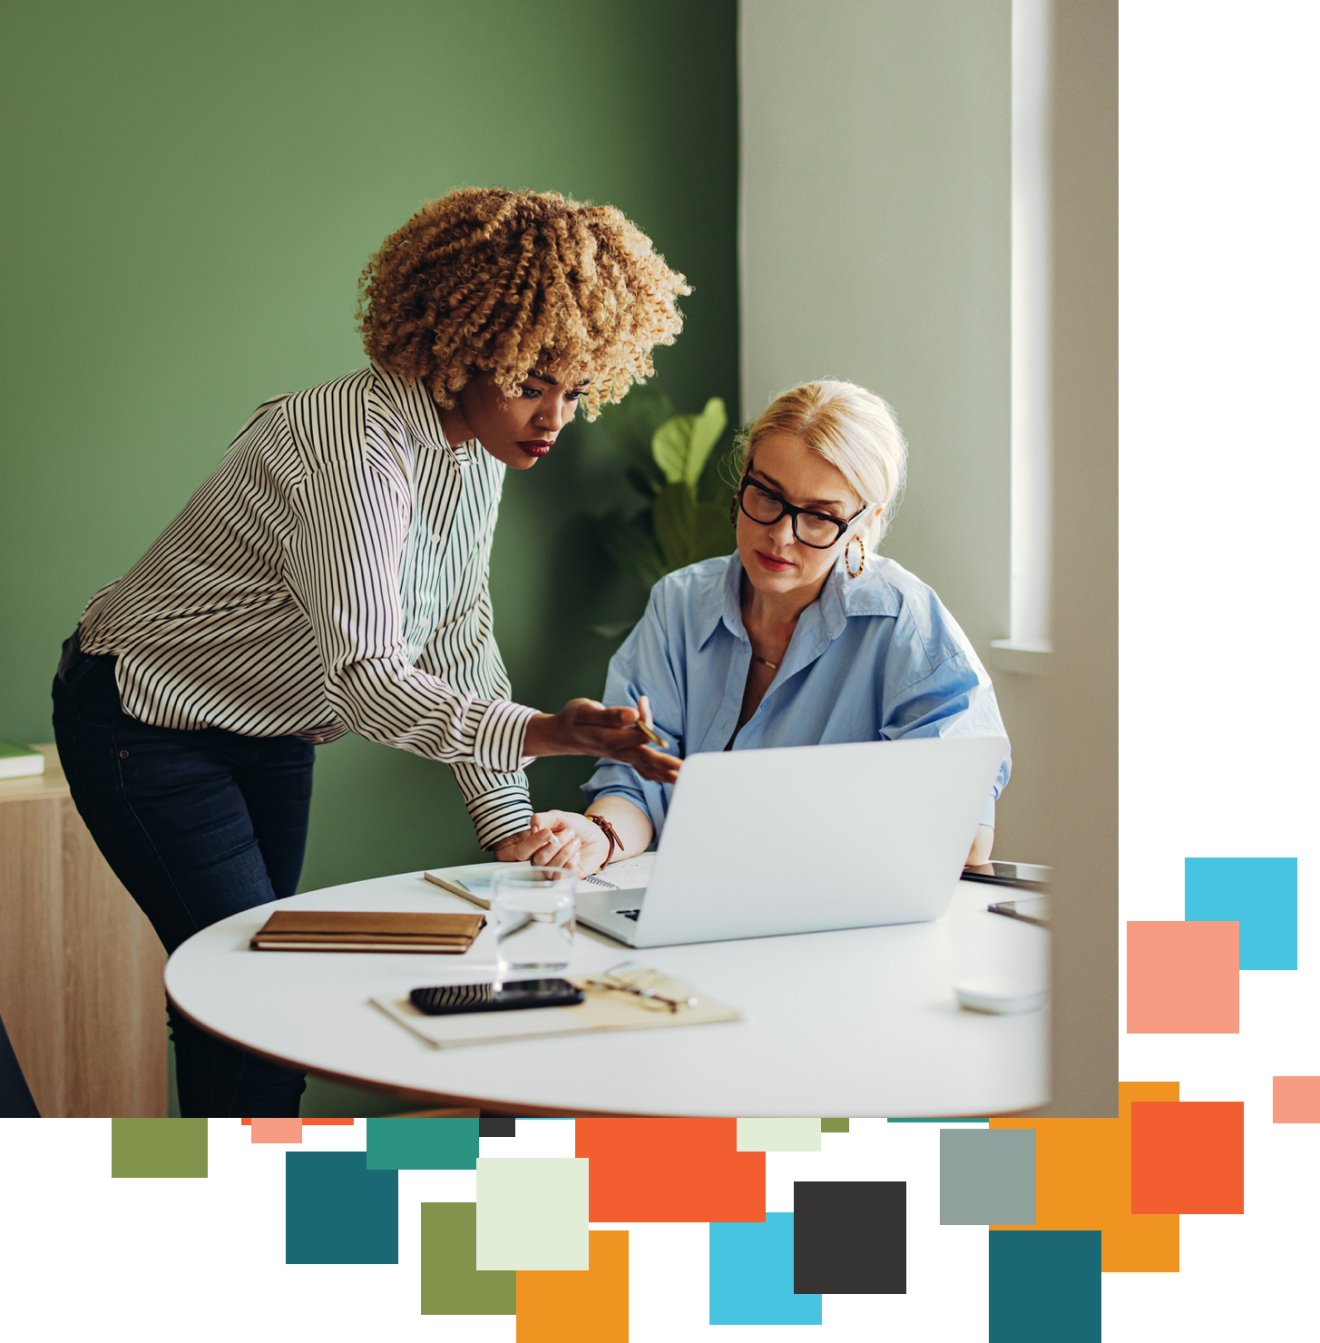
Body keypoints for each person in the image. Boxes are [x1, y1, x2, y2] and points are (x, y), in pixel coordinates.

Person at [51, 186, 685, 1117]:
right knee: (247, 1003)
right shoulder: (351, 442)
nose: (553, 417)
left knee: (254, 1003)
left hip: (270, 730)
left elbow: (460, 629)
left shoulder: (474, 446)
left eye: (575, 389)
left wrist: (507, 818)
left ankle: (249, 1216)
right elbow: (373, 679)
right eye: (530, 381)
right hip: (147, 726)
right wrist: (548, 733)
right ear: (465, 346)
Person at [500, 379, 1011, 877]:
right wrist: (601, 836)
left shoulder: (904, 623)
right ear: (743, 479)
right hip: (696, 897)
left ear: (861, 523)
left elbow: (967, 837)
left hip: (837, 912)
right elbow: (637, 781)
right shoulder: (679, 603)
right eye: (767, 496)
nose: (780, 535)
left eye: (818, 517)